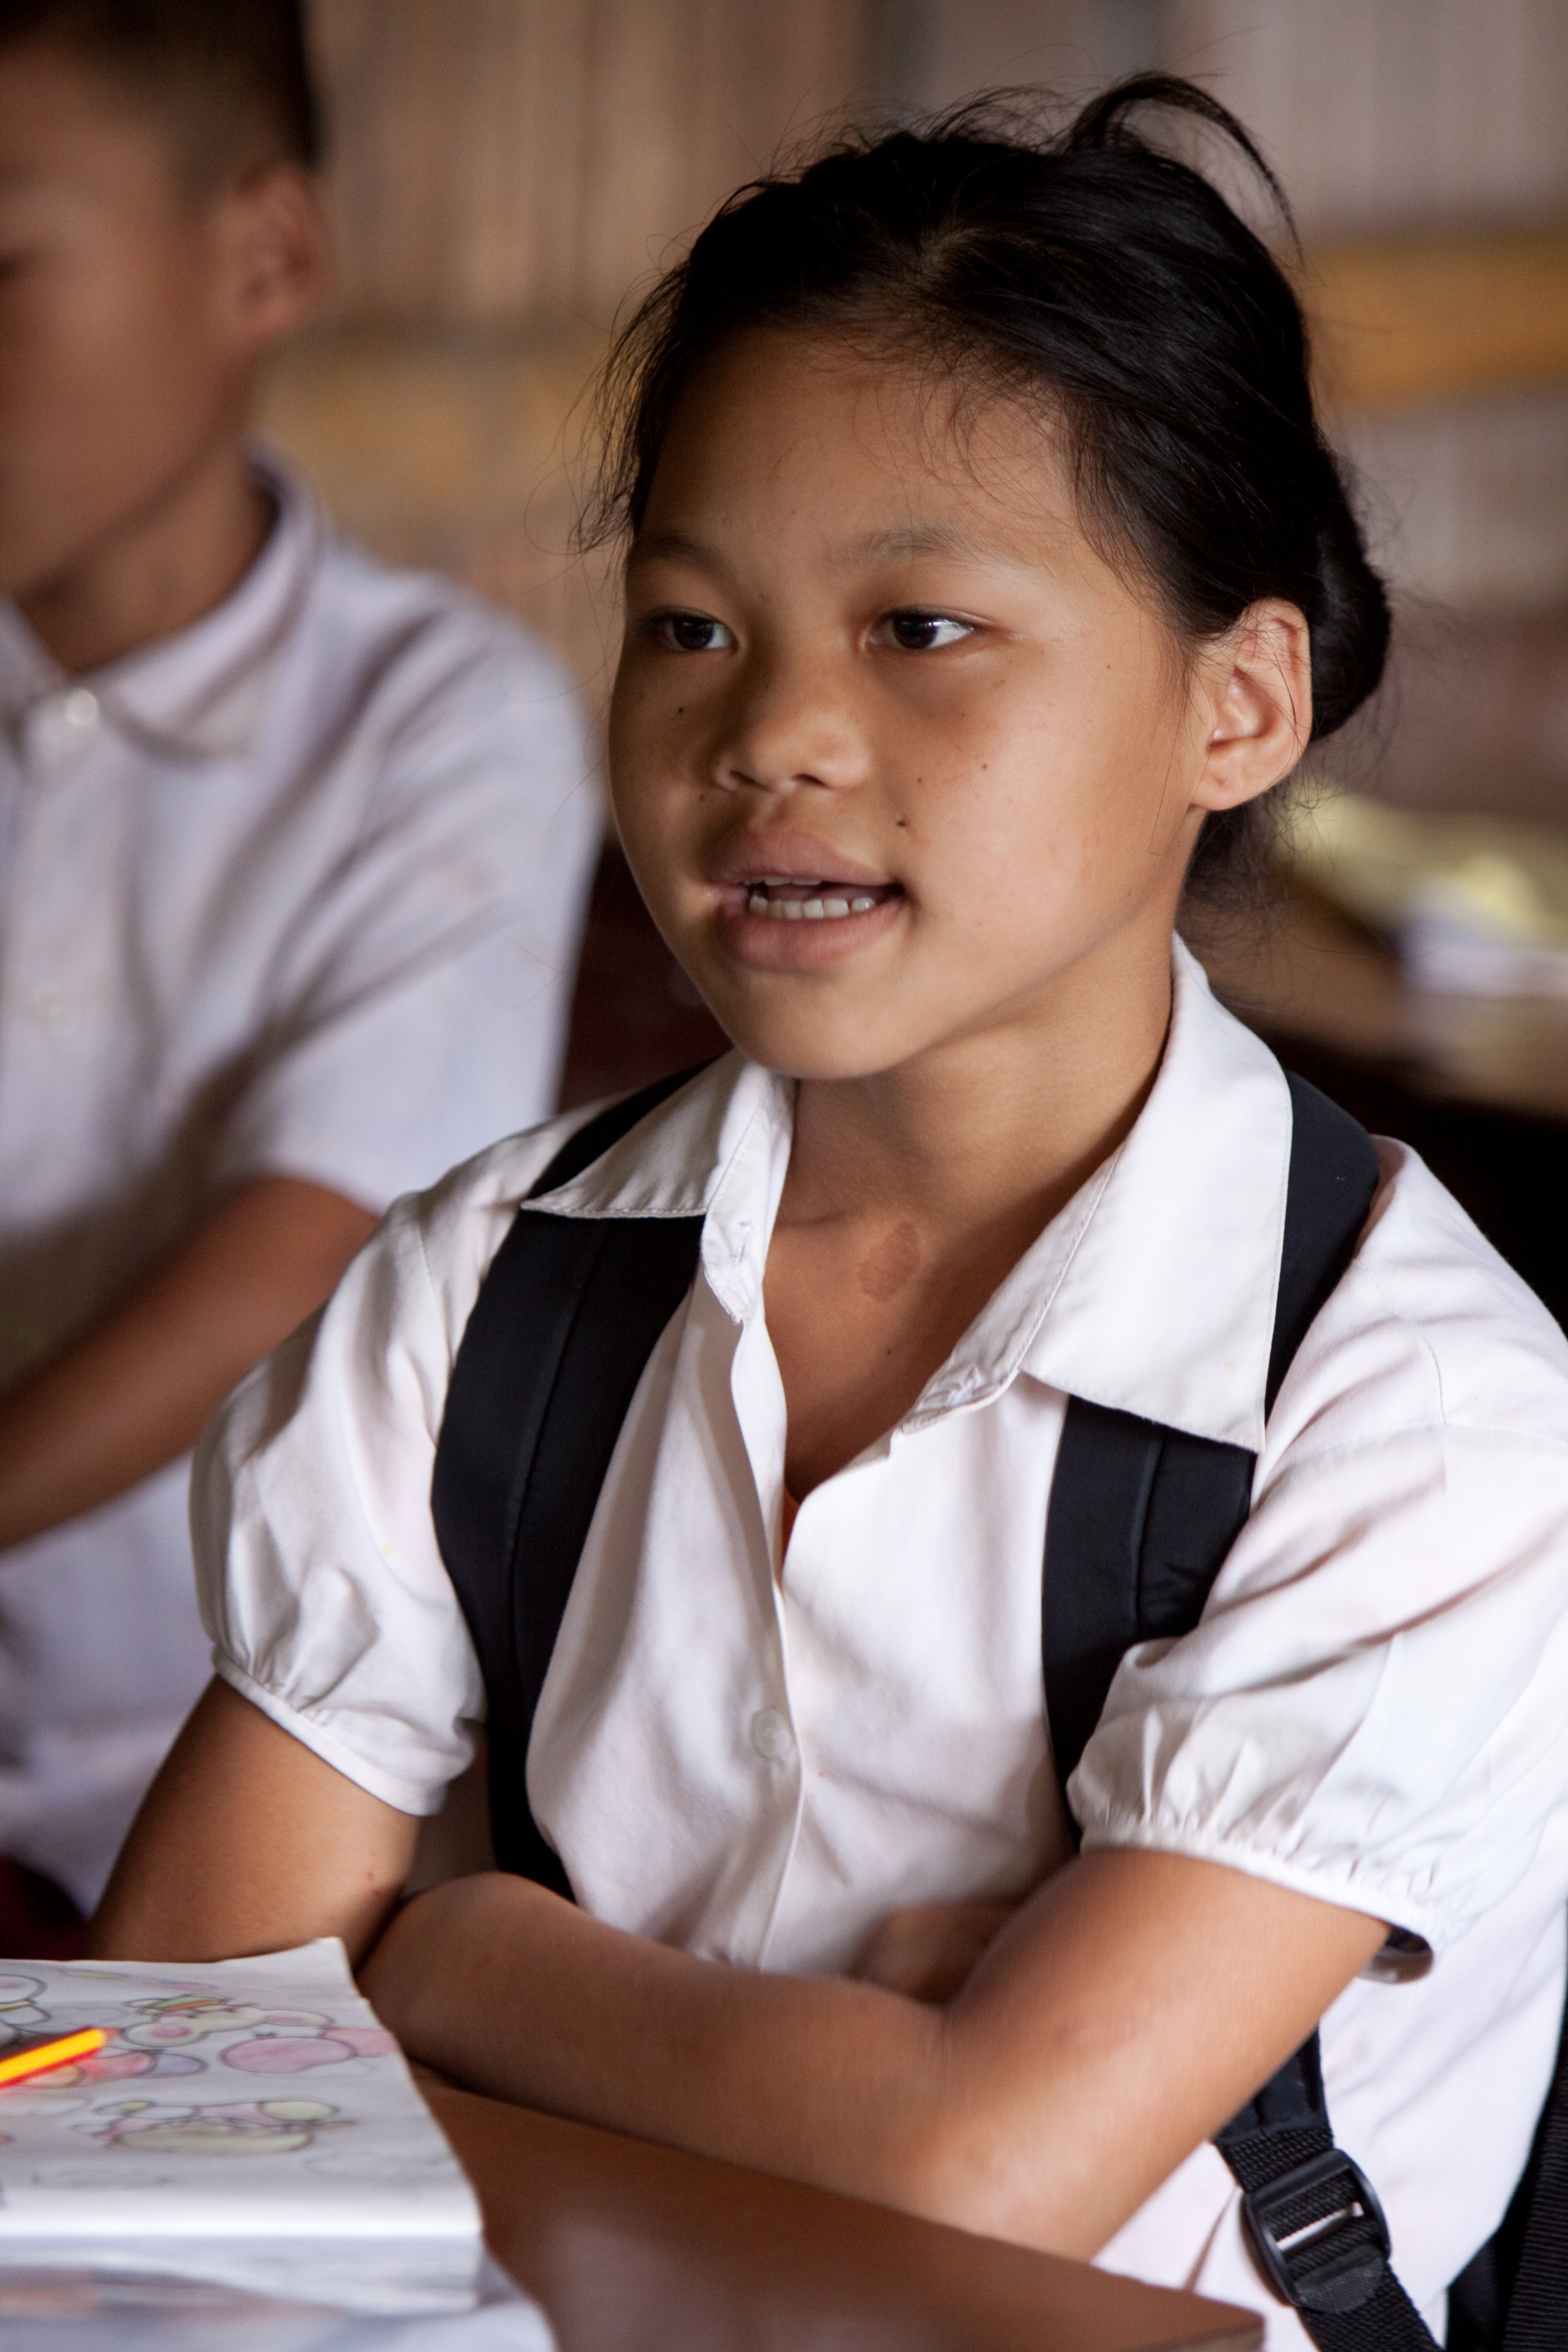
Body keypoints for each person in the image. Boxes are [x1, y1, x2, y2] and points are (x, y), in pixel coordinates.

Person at [95, 77, 1568, 2349]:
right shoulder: (479, 1294)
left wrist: (460, 1954)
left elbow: (978, 2172)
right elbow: (164, 2073)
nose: (771, 729)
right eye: (688, 627)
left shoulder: (1411, 1409)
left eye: (921, 631)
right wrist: (825, 2058)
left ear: (1240, 702)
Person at [0, 0, 598, 1944]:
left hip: (209, 1813)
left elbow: (310, 1239)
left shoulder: (441, 725)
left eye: (3, 266)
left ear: (264, 259)